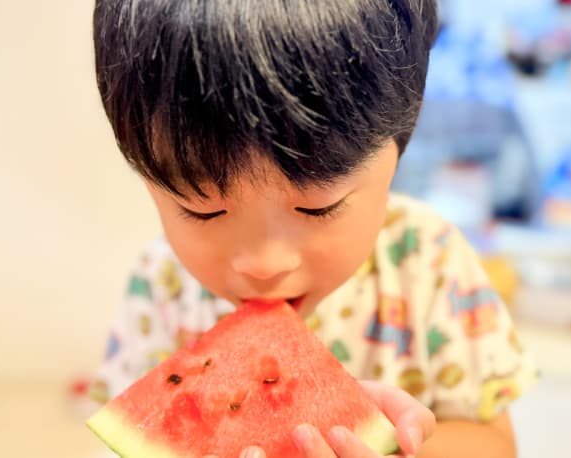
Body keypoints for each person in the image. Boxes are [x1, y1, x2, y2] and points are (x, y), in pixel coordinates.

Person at [89, 1, 537, 456]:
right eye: (203, 211)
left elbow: (496, 443)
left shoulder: (430, 260)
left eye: (317, 207)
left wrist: (399, 448)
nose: (264, 264)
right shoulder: (161, 285)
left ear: (400, 146)